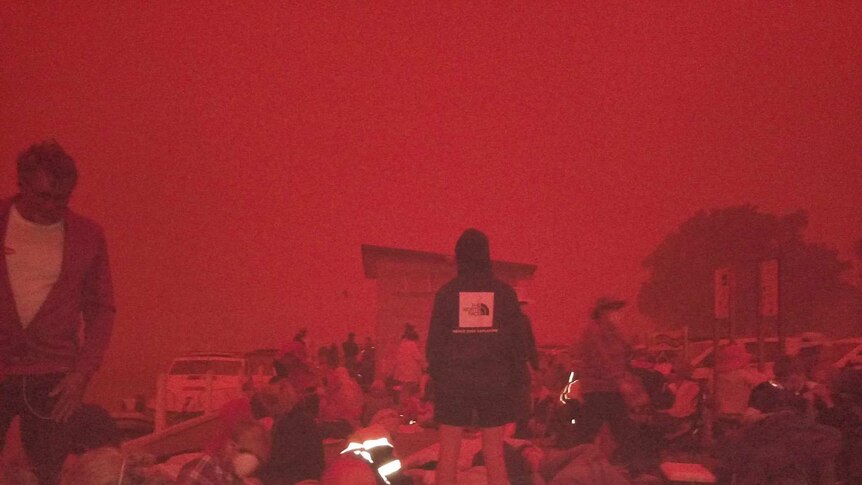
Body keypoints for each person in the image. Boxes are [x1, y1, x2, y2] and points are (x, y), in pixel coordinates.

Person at [0, 140, 116, 484]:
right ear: (21, 184)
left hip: (55, 376)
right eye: (43, 196)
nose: (52, 207)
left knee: (48, 472)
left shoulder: (88, 235)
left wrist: (83, 372)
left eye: (62, 199)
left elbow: (102, 309)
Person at [426, 228, 536, 485]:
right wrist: (515, 382)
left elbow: (435, 345)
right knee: (494, 454)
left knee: (448, 453)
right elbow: (516, 345)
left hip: (454, 383)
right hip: (494, 383)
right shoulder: (505, 294)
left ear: (459, 256)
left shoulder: (447, 294)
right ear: (487, 255)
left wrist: (439, 378)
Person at [573, 297, 648, 473]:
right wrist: (619, 380)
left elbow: (622, 355)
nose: (620, 315)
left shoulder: (613, 332)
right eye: (616, 311)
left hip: (607, 388)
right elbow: (603, 359)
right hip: (600, 387)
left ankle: (574, 461)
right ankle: (636, 467)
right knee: (619, 429)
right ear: (604, 312)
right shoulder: (595, 330)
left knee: (596, 429)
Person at [176, 419, 270, 485]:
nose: (253, 464)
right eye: (251, 456)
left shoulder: (232, 477)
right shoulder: (201, 469)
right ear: (231, 447)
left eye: (259, 459)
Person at [391, 323, 425, 404]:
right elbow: (418, 357)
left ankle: (403, 406)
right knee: (408, 391)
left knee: (404, 390)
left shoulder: (402, 345)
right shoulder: (412, 345)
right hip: (410, 373)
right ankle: (406, 406)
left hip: (402, 373)